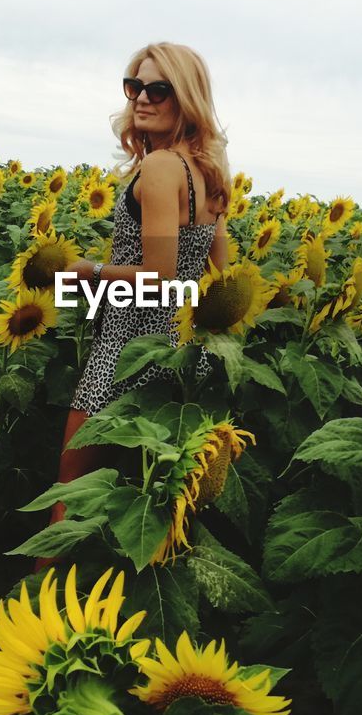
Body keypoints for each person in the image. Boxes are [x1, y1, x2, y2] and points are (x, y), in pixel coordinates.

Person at [49, 42, 232, 527]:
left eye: (159, 89)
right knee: (148, 502)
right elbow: (218, 276)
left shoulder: (159, 168)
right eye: (134, 87)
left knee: (73, 492)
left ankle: (42, 595)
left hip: (127, 349)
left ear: (186, 97)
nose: (142, 99)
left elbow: (157, 278)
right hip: (183, 353)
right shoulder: (211, 176)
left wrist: (87, 272)